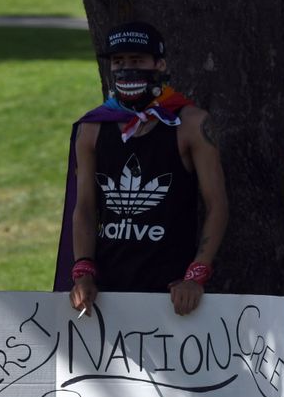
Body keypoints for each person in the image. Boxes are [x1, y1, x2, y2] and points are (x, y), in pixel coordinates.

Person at [55, 21, 228, 318]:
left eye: (137, 61)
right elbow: (84, 207)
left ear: (159, 64)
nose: (126, 69)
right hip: (105, 293)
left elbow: (217, 205)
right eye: (118, 61)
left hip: (171, 292)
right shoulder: (92, 128)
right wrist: (83, 271)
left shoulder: (191, 125)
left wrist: (195, 275)